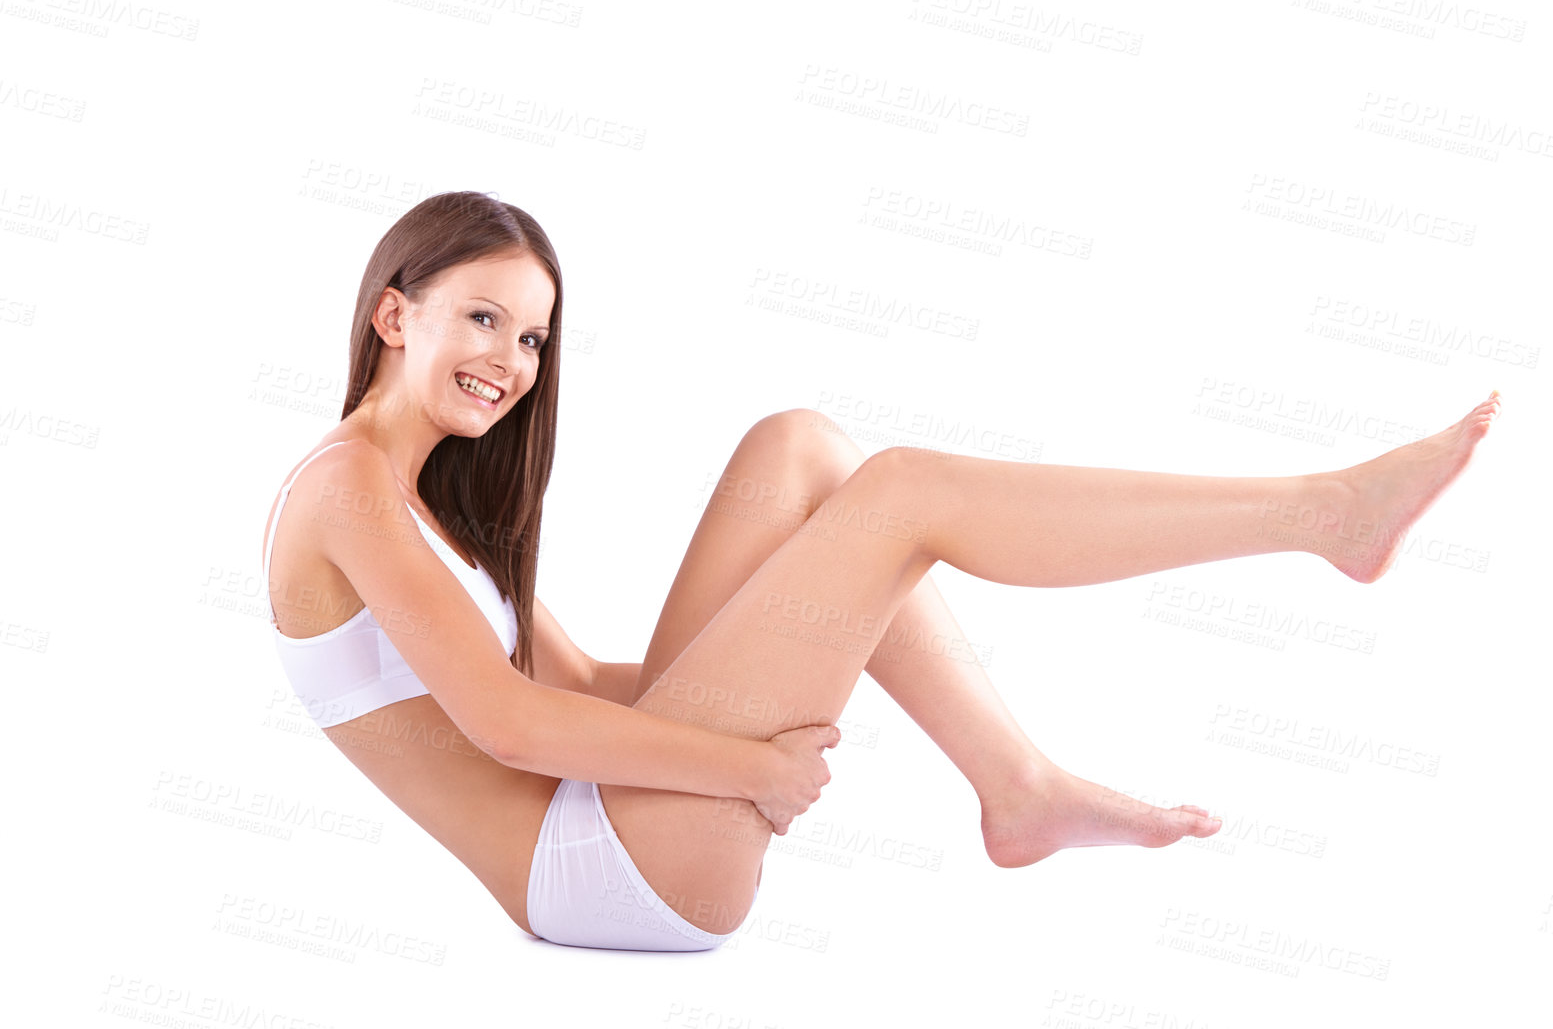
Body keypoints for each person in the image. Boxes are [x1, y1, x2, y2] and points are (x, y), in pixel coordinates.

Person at [259, 190, 1502, 952]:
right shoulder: (346, 489)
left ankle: (1017, 789)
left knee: (802, 450)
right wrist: (751, 761)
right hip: (600, 879)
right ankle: (1322, 512)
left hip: (613, 836)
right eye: (480, 318)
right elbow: (517, 728)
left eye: (530, 334)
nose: (512, 358)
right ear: (392, 313)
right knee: (897, 494)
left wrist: (813, 619)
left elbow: (585, 685)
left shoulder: (424, 508)